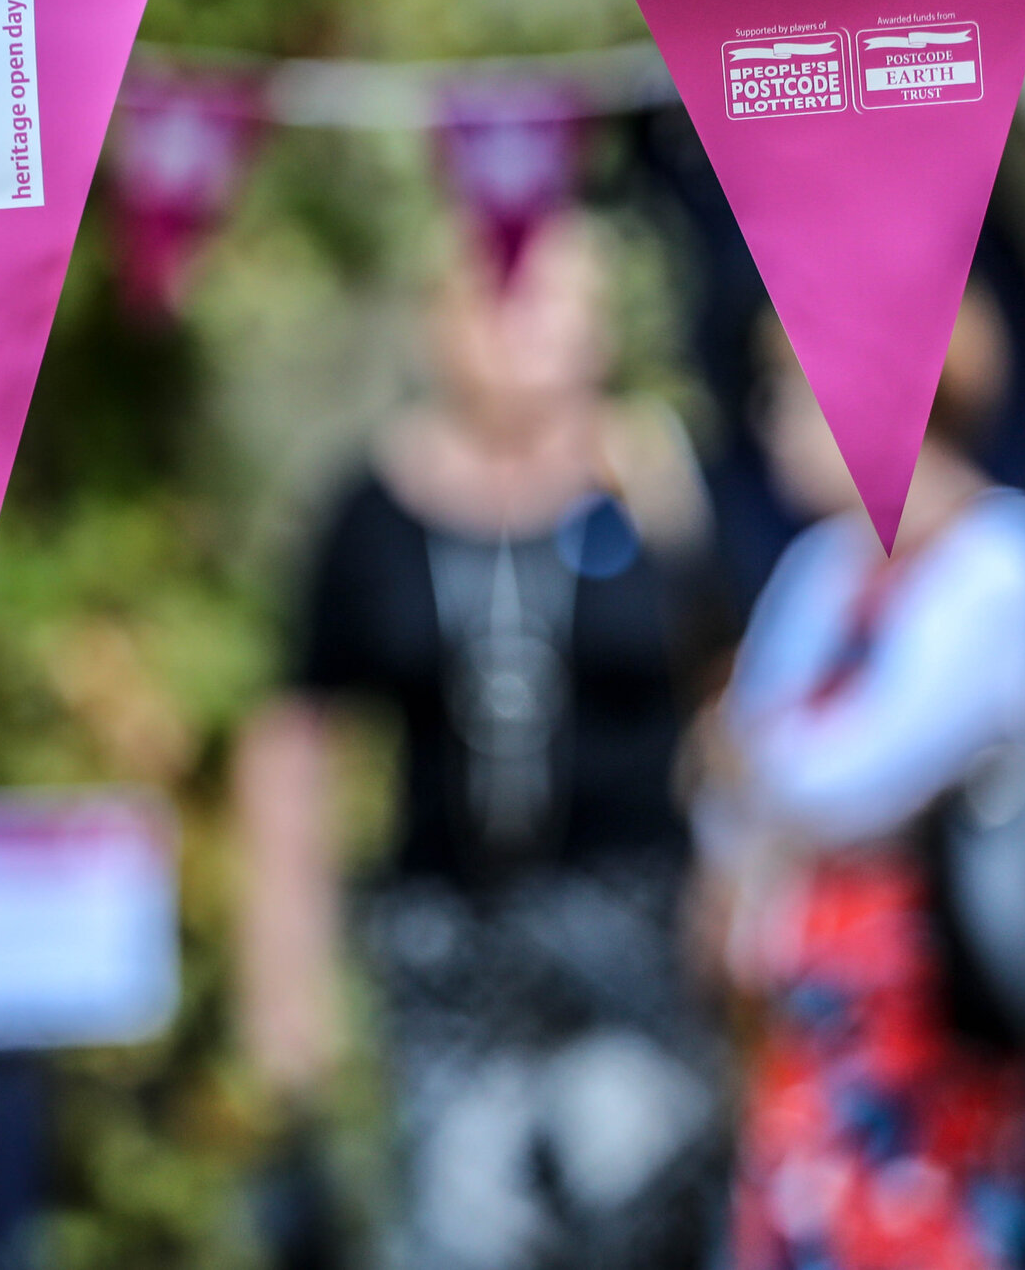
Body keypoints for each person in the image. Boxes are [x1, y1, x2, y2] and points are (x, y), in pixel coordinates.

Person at [237, 214, 729, 1270]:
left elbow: (727, 698)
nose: (533, 333)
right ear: (442, 323)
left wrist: (744, 891)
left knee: (643, 1213)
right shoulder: (372, 508)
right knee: (464, 1229)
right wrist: (285, 977)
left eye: (559, 303)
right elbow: (294, 741)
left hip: (631, 935)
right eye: (506, 300)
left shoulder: (654, 484)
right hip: (448, 945)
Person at [698, 287, 1025, 1270]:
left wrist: (754, 765)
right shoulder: (822, 566)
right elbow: (744, 777)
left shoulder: (1002, 554)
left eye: (789, 396)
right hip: (801, 998)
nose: (769, 425)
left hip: (931, 994)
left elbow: (858, 771)